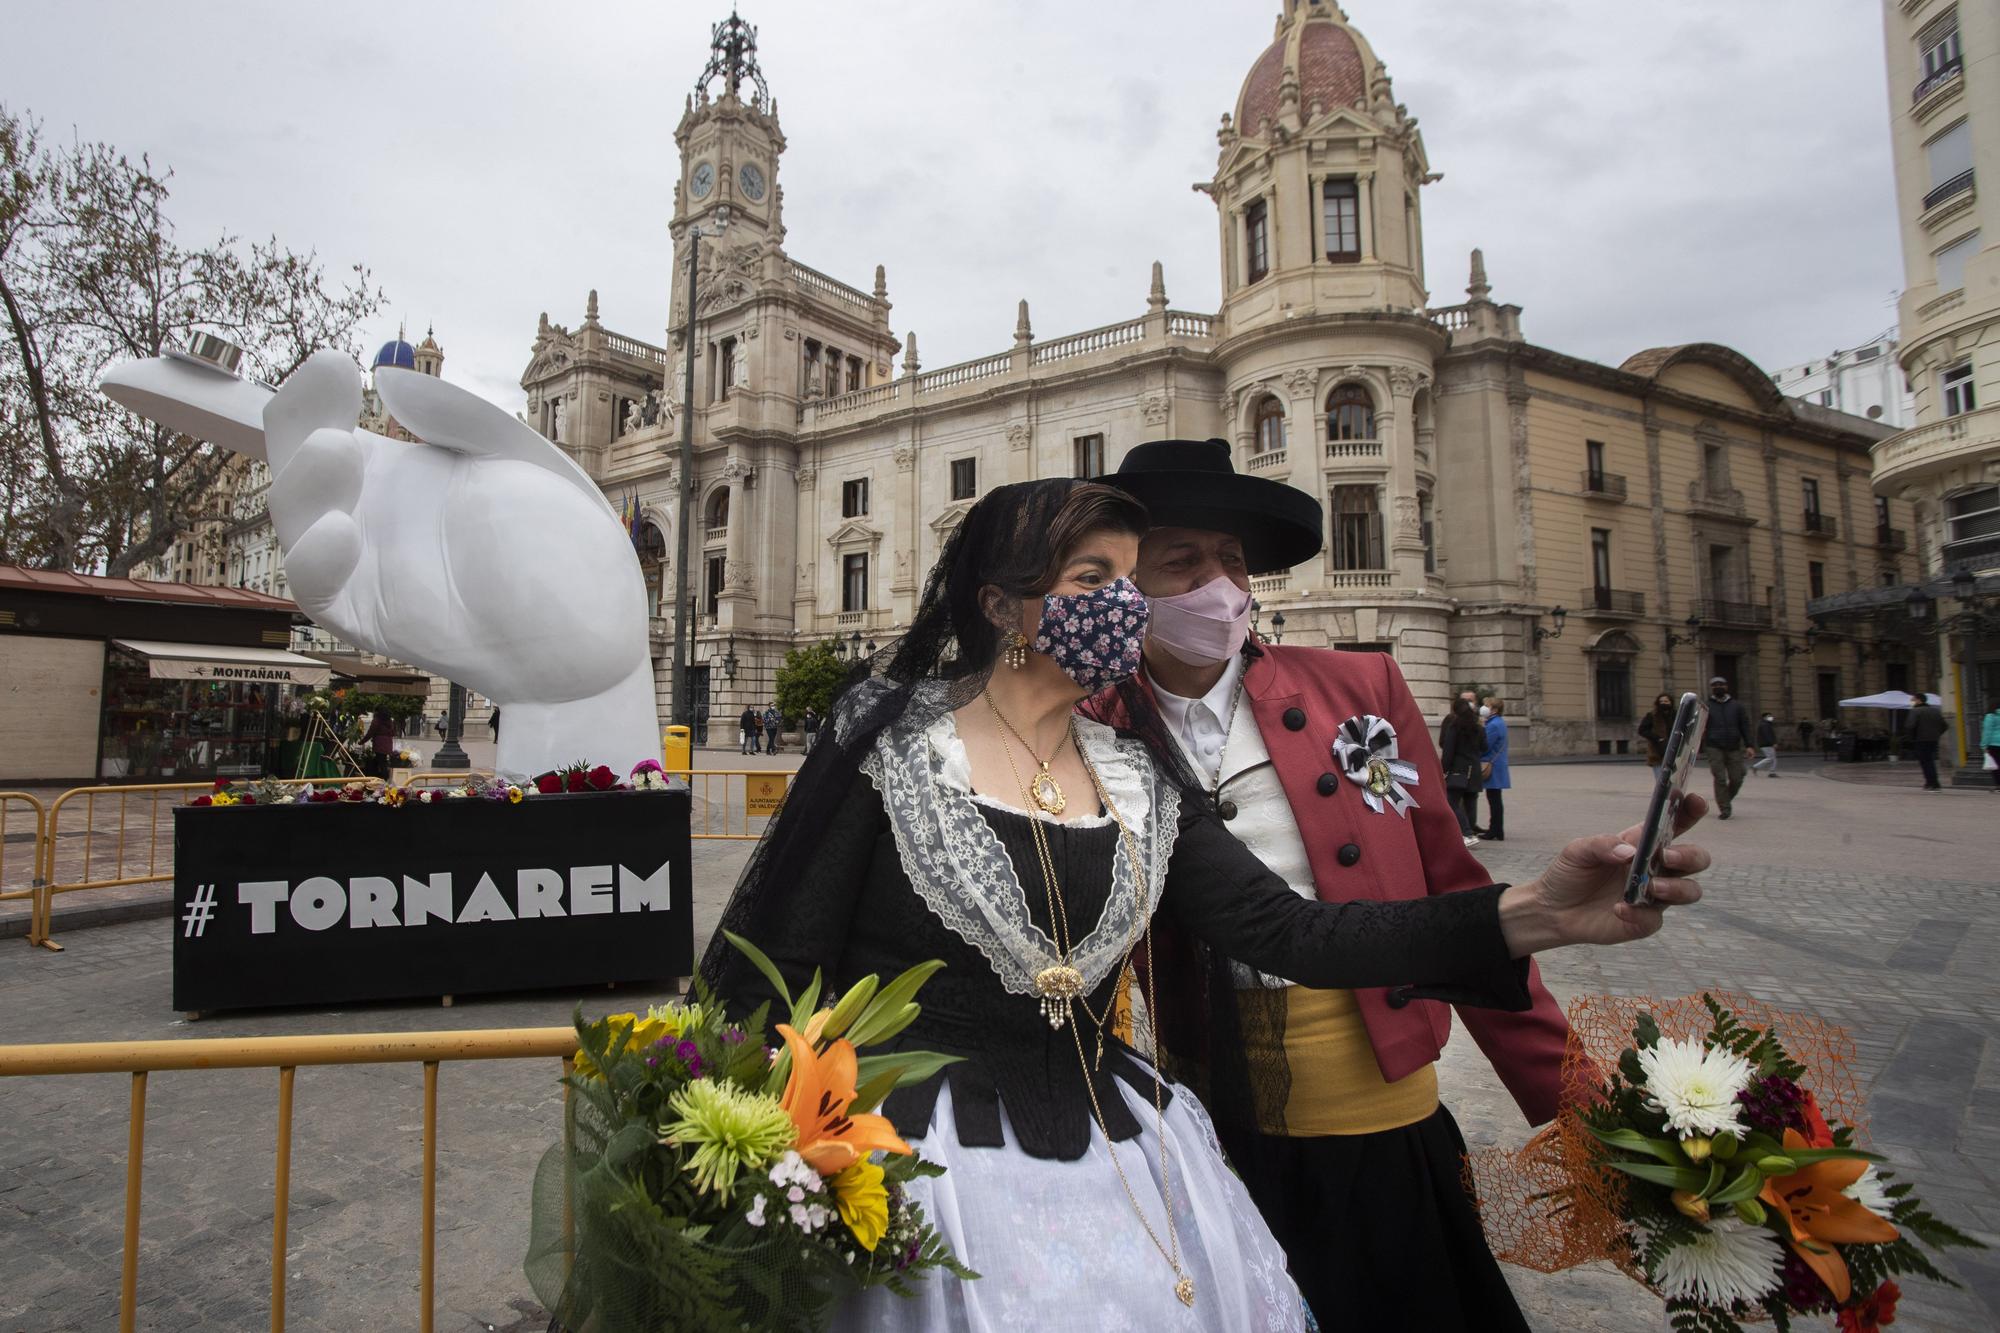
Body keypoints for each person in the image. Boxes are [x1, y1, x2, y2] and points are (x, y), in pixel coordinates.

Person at [700, 477, 1708, 1332]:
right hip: (923, 1161)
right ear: (1005, 605)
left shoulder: (1138, 771)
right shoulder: (890, 736)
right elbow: (771, 961)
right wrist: (736, 1162)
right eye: (1095, 581)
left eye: (1125, 583)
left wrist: (1535, 910)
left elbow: (1291, 931)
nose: (1124, 608)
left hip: (1124, 1154)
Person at [1093, 440, 1573, 1330]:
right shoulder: (1088, 722)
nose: (1218, 583)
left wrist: (1577, 1105)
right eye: (1182, 560)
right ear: (1125, 584)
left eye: (1232, 559)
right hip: (1208, 1110)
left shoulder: (1360, 685)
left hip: (1378, 1103)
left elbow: (1451, 890)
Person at [1702, 675, 1752, 820]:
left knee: (1738, 777)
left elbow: (1745, 726)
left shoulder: (1737, 706)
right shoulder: (1706, 706)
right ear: (1711, 688)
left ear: (1726, 687)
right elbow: (1699, 727)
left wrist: (1749, 745)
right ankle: (1725, 809)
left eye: (1721, 684)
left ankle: (1725, 799)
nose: (1718, 687)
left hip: (1733, 746)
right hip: (1713, 746)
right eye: (1715, 685)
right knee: (1720, 778)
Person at [1439, 697, 1486, 845]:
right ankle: (1471, 831)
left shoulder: (1455, 726)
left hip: (1459, 769)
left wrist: (1443, 769)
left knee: (1452, 801)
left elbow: (1449, 750)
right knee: (1470, 802)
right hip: (1475, 768)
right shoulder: (1479, 727)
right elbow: (1484, 748)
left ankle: (1467, 832)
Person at [1480, 696, 1510, 840]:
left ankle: (1495, 830)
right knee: (1495, 798)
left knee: (1494, 799)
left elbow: (1485, 745)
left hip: (1492, 766)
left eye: (1487, 705)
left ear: (1495, 709)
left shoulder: (1493, 725)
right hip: (1497, 764)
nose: (1484, 708)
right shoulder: (1498, 722)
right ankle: (1497, 829)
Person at [1909, 690, 1949, 791]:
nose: (1911, 701)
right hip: (1933, 739)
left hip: (1920, 740)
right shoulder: (1935, 710)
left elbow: (1910, 726)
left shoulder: (1915, 711)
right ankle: (1930, 782)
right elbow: (1945, 725)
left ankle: (1933, 783)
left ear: (1918, 700)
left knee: (1925, 761)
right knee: (1930, 760)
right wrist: (1936, 734)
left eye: (1912, 700)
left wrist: (1913, 738)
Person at [1637, 692, 1676, 775]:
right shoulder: (1652, 715)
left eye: (1666, 701)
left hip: (1674, 750)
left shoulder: (1676, 715)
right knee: (1660, 780)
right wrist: (1657, 738)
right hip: (1657, 751)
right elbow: (1642, 730)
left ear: (1671, 702)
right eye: (1661, 702)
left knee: (1673, 780)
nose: (1663, 703)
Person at [363, 709, 398, 779]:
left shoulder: (376, 721)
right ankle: (376, 777)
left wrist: (362, 741)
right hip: (388, 744)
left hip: (379, 744)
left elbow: (370, 732)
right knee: (380, 761)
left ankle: (384, 779)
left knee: (382, 763)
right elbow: (394, 732)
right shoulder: (390, 721)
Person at [1750, 711, 1779, 777]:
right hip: (1766, 744)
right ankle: (1755, 767)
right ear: (1764, 717)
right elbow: (1767, 735)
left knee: (1773, 758)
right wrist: (1773, 743)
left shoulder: (1766, 724)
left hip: (1765, 744)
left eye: (1771, 716)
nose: (1771, 717)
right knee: (1770, 758)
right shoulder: (1764, 725)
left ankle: (1772, 772)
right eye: (1769, 716)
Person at [1982, 701, 2000, 792]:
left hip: (1994, 744)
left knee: (1995, 766)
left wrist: (1984, 745)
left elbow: (1987, 732)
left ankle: (1998, 785)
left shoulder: (1990, 716)